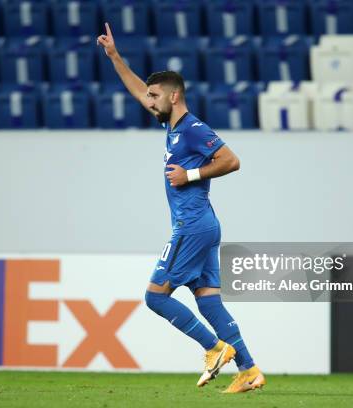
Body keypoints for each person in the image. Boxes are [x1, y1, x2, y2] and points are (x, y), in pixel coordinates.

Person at [97, 23, 265, 393]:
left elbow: (232, 160)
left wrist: (189, 174)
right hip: (204, 225)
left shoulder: (191, 128)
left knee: (155, 296)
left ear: (173, 97)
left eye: (155, 96)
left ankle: (214, 349)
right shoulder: (172, 126)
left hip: (192, 226)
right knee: (210, 304)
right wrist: (114, 57)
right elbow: (140, 91)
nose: (149, 101)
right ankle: (250, 370)